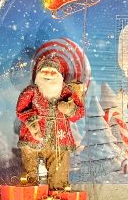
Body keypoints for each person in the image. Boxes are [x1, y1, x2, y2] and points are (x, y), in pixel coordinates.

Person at [15, 54, 84, 191]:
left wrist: (69, 109)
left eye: (53, 72)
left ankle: (57, 199)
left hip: (60, 140)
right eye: (45, 71)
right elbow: (21, 109)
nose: (49, 75)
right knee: (31, 170)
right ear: (38, 74)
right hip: (34, 139)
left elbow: (79, 113)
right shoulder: (32, 91)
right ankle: (31, 196)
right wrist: (32, 123)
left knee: (59, 172)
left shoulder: (67, 91)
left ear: (59, 75)